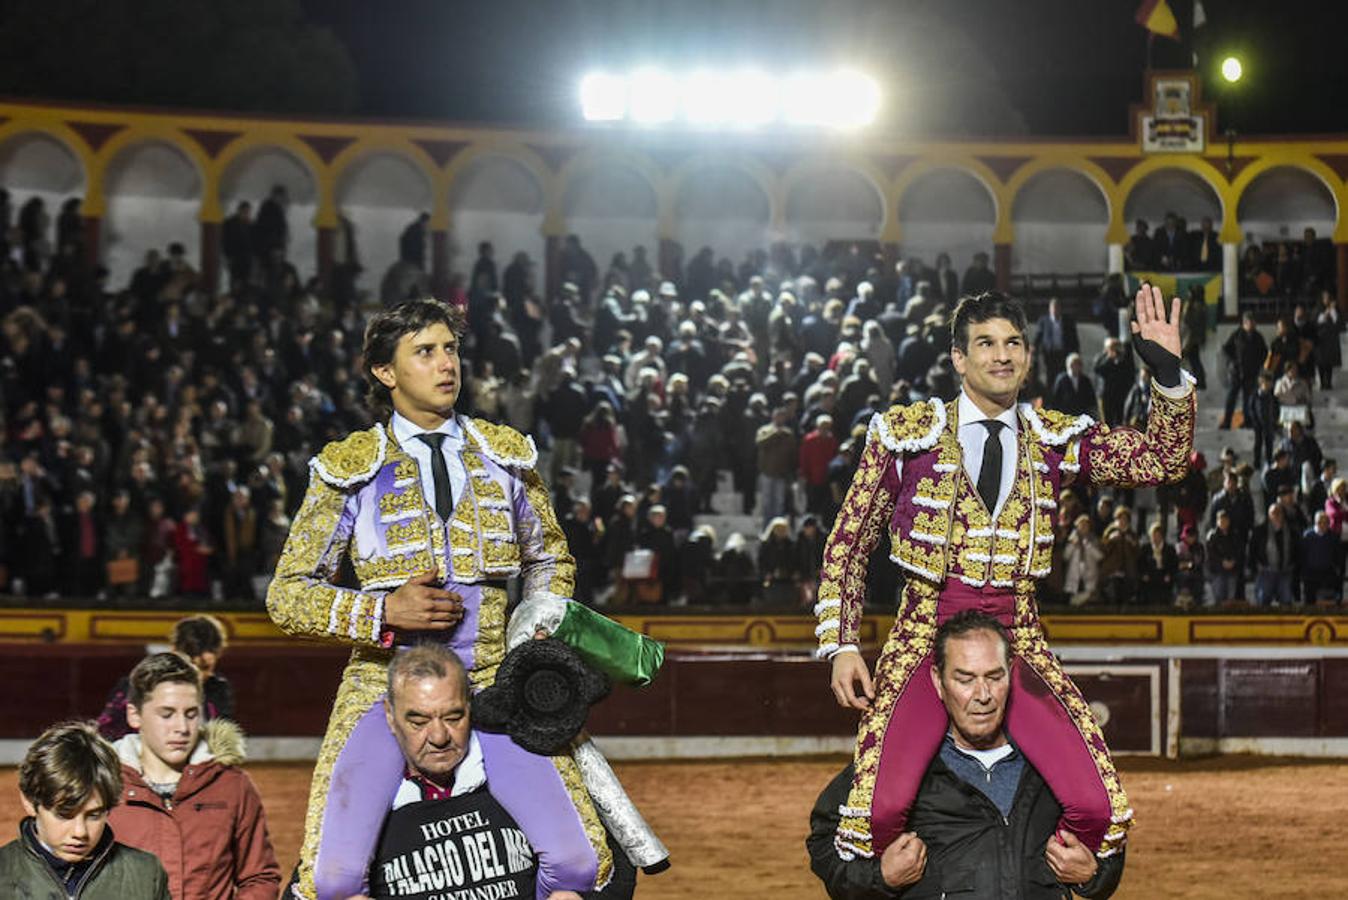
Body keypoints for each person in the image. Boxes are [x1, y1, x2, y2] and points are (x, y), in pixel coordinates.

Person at [266, 299, 665, 899]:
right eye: (424, 352)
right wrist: (381, 612)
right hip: (383, 687)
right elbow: (287, 594)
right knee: (332, 879)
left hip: (491, 684)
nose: (445, 363)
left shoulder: (505, 455)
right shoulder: (350, 469)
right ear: (385, 371)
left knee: (583, 865)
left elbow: (550, 558)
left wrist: (532, 633)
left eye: (450, 348)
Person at [816, 286, 1194, 862]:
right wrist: (842, 643)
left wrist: (1166, 375)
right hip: (923, 636)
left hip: (1016, 638)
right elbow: (849, 542)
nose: (1002, 355)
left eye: (1013, 343)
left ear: (1028, 354)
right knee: (876, 816)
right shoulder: (905, 435)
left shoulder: (1053, 438)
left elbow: (1159, 460)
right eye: (985, 343)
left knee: (1100, 811)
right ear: (958, 359)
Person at [807, 612, 1125, 899]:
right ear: (938, 682)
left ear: (1012, 676)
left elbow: (1106, 846)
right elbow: (825, 847)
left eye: (994, 677)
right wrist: (881, 878)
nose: (983, 695)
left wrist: (1093, 877)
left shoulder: (1053, 760)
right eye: (965, 679)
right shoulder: (897, 764)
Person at [340, 643, 634, 900]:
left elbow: (614, 868)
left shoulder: (529, 773)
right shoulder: (357, 809)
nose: (439, 736)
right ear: (390, 716)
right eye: (419, 721)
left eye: (453, 716)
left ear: (472, 707)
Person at [108, 653, 280, 900]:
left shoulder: (232, 785)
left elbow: (259, 877)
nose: (182, 728)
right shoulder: (102, 784)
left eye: (191, 714)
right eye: (166, 714)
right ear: (134, 715)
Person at [2, 720, 170, 899]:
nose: (80, 832)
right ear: (29, 801)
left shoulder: (146, 874)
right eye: (64, 815)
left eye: (94, 815)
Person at [97, 614, 235, 741]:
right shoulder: (138, 685)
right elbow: (107, 735)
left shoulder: (217, 687)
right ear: (174, 651)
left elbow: (224, 742)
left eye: (206, 668)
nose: (197, 675)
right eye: (191, 664)